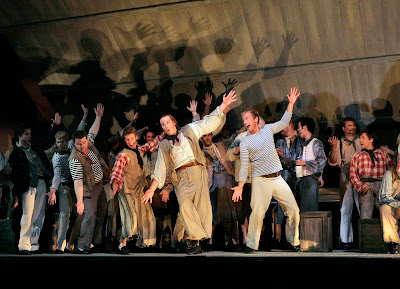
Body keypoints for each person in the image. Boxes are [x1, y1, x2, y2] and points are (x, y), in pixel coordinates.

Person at [141, 90, 238, 255]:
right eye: (162, 124)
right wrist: (151, 189)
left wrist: (222, 106)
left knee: (202, 208)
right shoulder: (164, 144)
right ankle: (193, 238)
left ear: (173, 122)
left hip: (197, 170)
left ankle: (194, 241)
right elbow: (160, 169)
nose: (165, 125)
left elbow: (207, 124)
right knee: (185, 207)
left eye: (167, 122)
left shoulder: (189, 130)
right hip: (181, 177)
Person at [232, 87, 301, 253]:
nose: (245, 122)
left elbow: (284, 122)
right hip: (260, 180)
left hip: (277, 178)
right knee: (257, 213)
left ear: (256, 119)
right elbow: (243, 166)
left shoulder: (267, 130)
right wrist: (240, 186)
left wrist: (291, 103)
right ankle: (251, 244)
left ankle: (294, 242)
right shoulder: (245, 142)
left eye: (247, 118)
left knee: (293, 210)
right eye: (243, 120)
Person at [110, 126, 164, 254]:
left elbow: (153, 143)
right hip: (127, 190)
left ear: (136, 137)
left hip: (139, 190)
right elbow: (116, 172)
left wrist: (164, 133)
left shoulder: (140, 150)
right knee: (131, 217)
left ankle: (143, 244)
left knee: (147, 217)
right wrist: (116, 184)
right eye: (127, 139)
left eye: (132, 139)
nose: (130, 142)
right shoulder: (123, 155)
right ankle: (122, 244)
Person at [68, 104, 109, 254]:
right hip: (87, 189)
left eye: (84, 142)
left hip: (99, 185)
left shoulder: (88, 143)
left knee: (101, 212)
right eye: (79, 144)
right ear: (74, 143)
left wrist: (98, 117)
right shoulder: (74, 159)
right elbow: (78, 181)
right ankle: (82, 245)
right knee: (89, 215)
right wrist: (79, 201)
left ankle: (94, 242)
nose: (83, 146)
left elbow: (93, 131)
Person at [8, 122, 54, 255]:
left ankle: (34, 243)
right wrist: (16, 192)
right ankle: (24, 245)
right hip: (28, 184)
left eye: (30, 134)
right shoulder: (16, 153)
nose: (29, 136)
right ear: (19, 135)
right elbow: (15, 175)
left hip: (41, 182)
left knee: (39, 215)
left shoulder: (35, 149)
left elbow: (45, 164)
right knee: (27, 214)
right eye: (26, 134)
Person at [201, 131, 240, 251]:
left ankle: (231, 242)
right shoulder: (200, 152)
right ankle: (210, 242)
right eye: (205, 135)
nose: (207, 138)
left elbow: (235, 135)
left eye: (209, 135)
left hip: (226, 179)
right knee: (212, 214)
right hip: (212, 183)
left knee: (229, 213)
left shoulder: (219, 145)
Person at [327, 117, 361, 250]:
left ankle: (365, 238)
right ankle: (346, 241)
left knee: (363, 209)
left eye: (353, 125)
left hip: (360, 176)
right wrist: (334, 148)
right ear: (343, 128)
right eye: (349, 126)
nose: (352, 127)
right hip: (345, 176)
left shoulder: (360, 140)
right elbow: (333, 162)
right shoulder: (340, 142)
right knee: (345, 209)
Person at [350, 129, 394, 220]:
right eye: (360, 138)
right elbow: (353, 174)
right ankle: (365, 233)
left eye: (363, 138)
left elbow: (392, 170)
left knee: (386, 213)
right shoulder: (358, 156)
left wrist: (389, 186)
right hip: (366, 185)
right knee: (365, 213)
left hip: (381, 185)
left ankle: (388, 233)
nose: (360, 140)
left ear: (371, 139)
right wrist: (360, 185)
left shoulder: (383, 155)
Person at [275, 119, 303, 248]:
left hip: (297, 179)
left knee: (296, 210)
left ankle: (296, 239)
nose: (280, 129)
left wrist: (284, 157)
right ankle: (284, 240)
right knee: (283, 210)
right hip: (284, 179)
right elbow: (280, 163)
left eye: (282, 126)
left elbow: (295, 162)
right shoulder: (280, 142)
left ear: (289, 125)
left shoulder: (299, 140)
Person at [295, 116, 327, 212]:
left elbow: (322, 160)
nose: (298, 130)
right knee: (302, 209)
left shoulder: (316, 143)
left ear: (304, 127)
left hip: (311, 180)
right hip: (302, 179)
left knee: (309, 210)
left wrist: (305, 163)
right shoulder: (302, 144)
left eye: (299, 127)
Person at [378, 157, 400, 254]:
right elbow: (384, 197)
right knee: (385, 209)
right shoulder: (389, 174)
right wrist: (398, 206)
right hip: (394, 205)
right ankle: (393, 242)